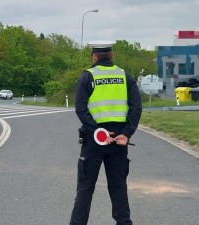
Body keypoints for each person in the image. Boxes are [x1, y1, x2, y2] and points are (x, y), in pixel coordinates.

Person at [69, 40, 142, 225]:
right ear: (112, 56)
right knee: (118, 187)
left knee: (85, 188)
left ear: (94, 57)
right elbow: (136, 108)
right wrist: (126, 134)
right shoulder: (126, 77)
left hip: (94, 141)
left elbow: (80, 109)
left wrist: (98, 131)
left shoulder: (88, 77)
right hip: (119, 141)